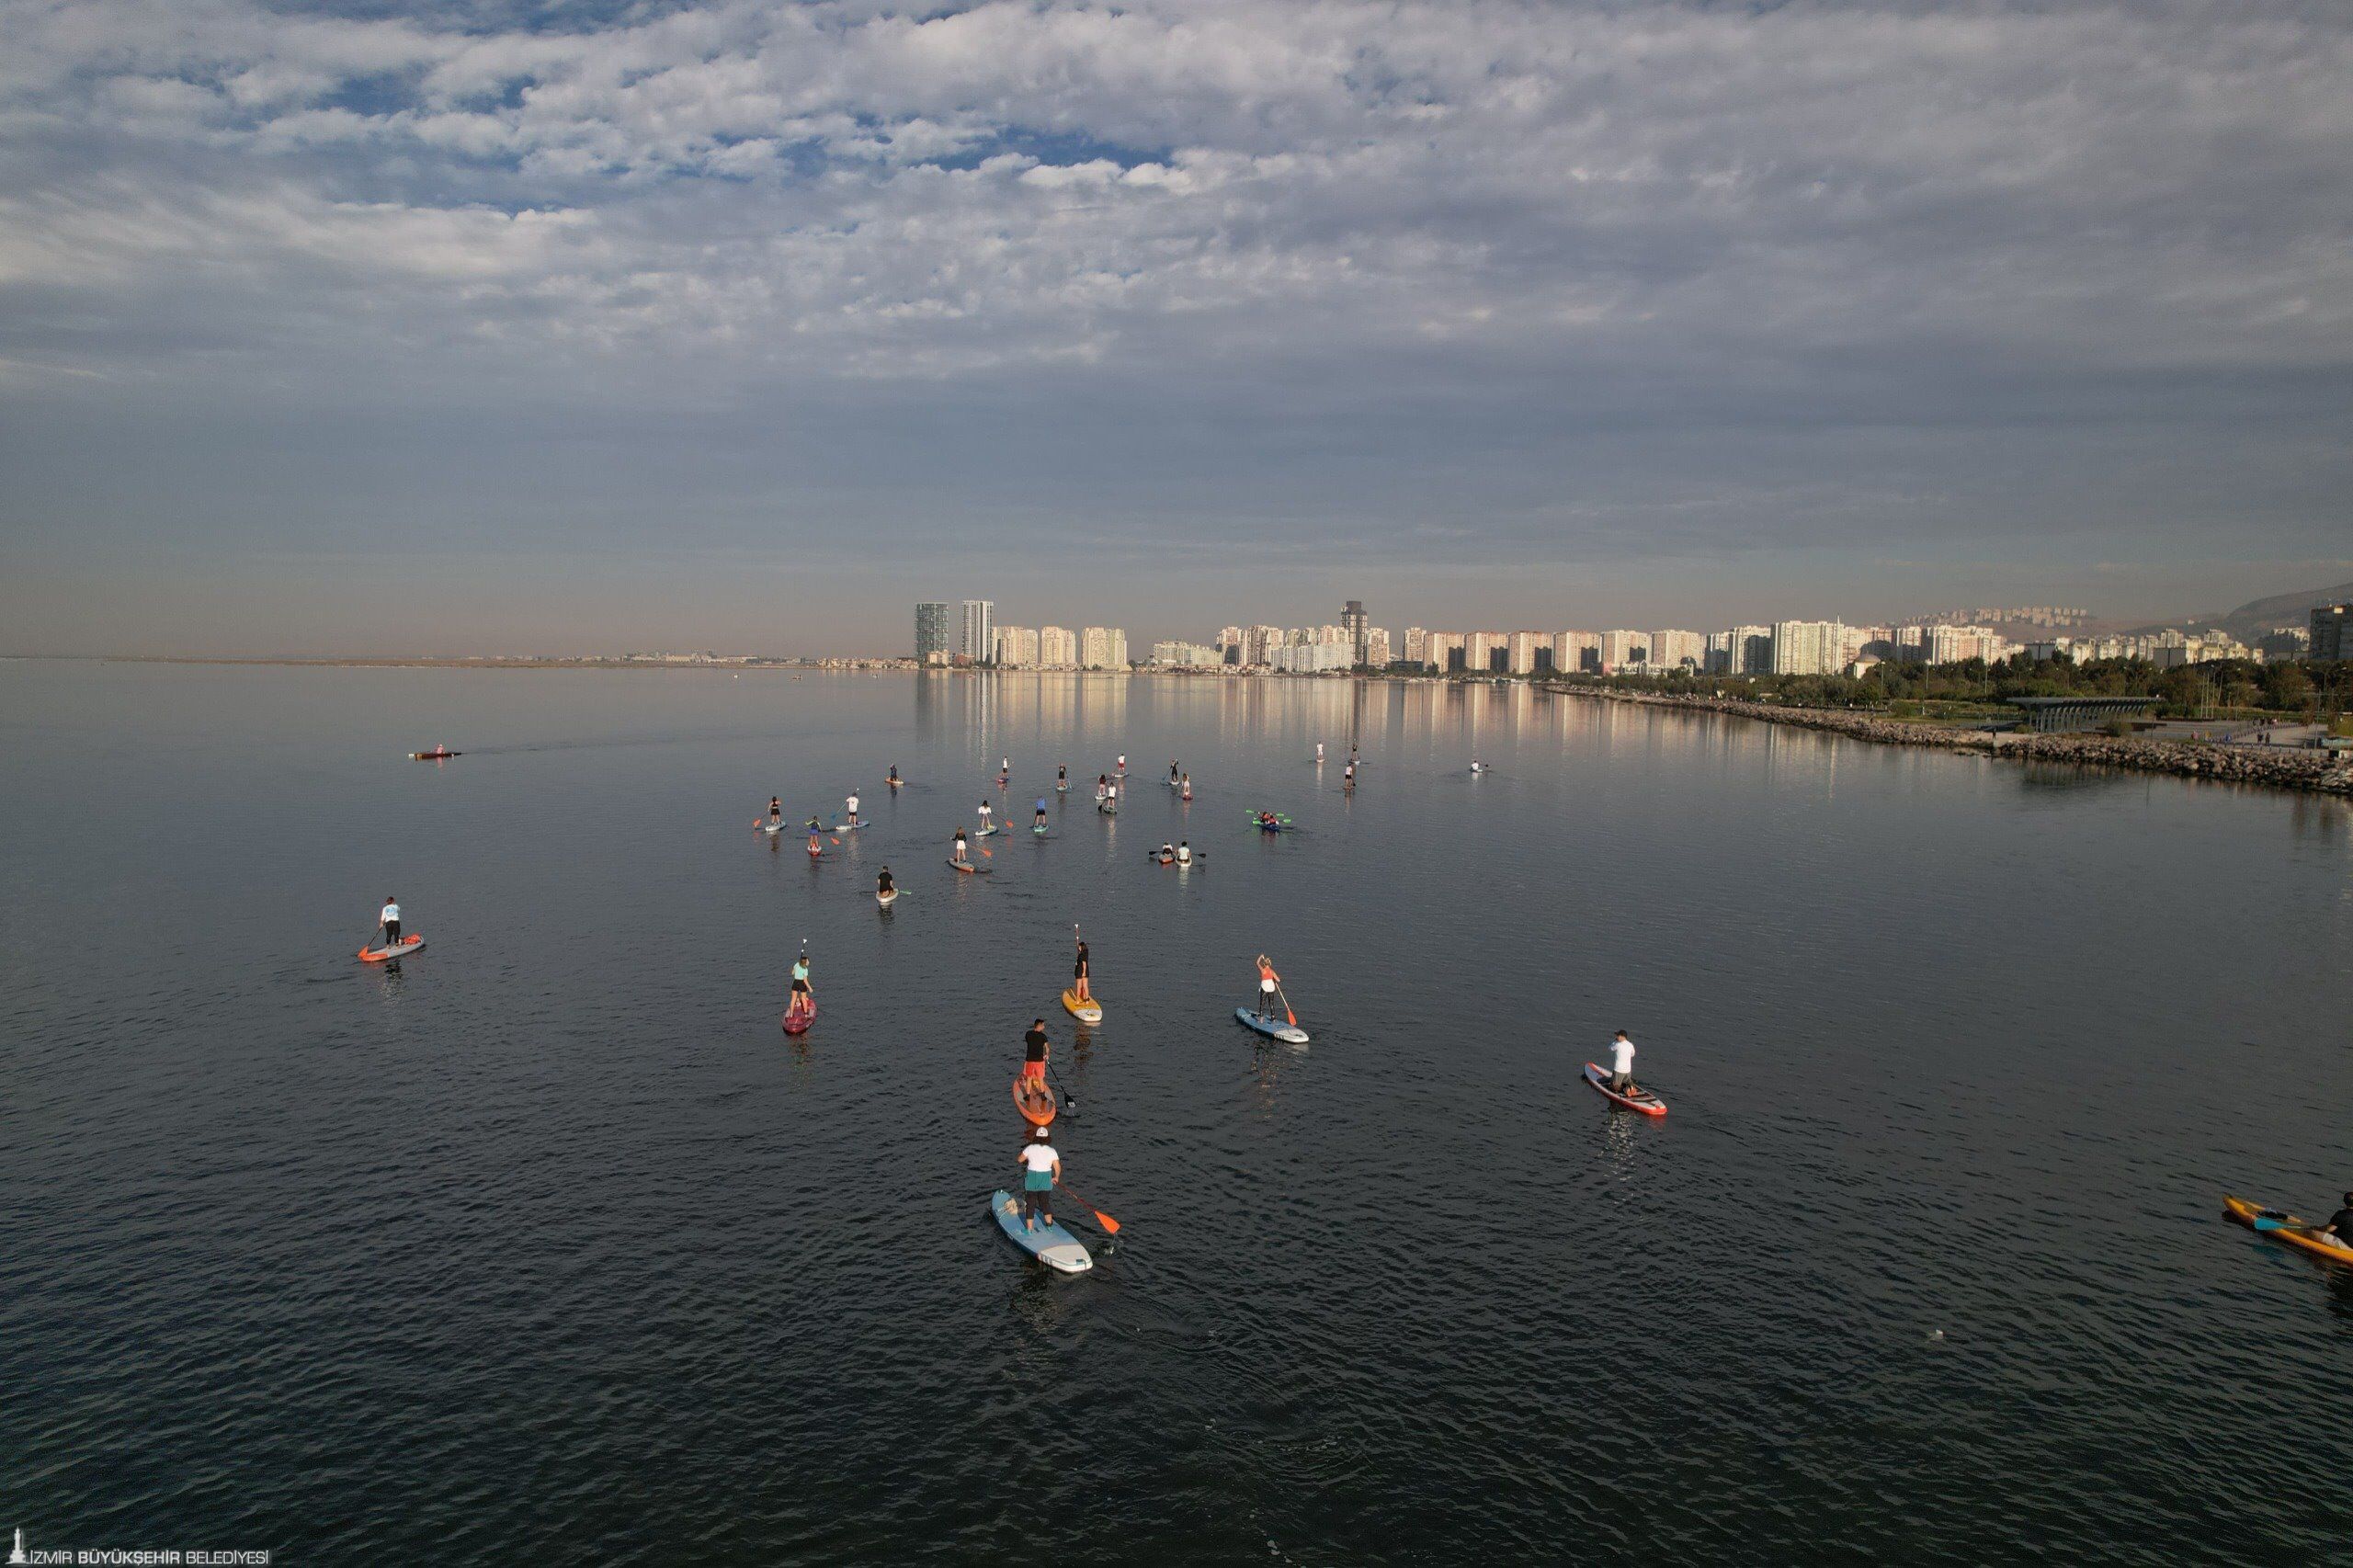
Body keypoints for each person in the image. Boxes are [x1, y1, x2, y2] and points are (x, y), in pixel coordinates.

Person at [1017, 1127, 1060, 1230]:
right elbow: (1057, 1167)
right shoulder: (1052, 1151)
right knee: (1045, 1203)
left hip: (1032, 1179)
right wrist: (1056, 1177)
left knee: (1031, 1204)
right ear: (1047, 1138)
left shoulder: (1030, 1148)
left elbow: (1019, 1160)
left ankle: (1029, 1230)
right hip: (1046, 1179)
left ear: (1036, 1137)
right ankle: (1049, 1226)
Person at [1608, 1030, 1639, 1096]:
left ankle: (1624, 1090)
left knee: (1614, 1086)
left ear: (1622, 1037)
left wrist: (1615, 1041)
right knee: (1627, 1081)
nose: (1617, 1037)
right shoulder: (1630, 1045)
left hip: (1619, 1070)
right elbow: (1632, 1054)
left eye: (1618, 1036)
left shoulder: (1617, 1044)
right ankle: (1631, 1087)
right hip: (1628, 1070)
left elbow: (1610, 1048)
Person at [1022, 1017, 1051, 1085]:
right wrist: (1047, 1055)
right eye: (1043, 1025)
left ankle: (1028, 1093)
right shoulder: (1043, 1036)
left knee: (1029, 1077)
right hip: (1039, 1061)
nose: (1044, 1027)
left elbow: (1028, 1041)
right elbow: (1047, 1048)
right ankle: (1042, 1094)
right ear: (1040, 1026)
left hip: (1030, 1060)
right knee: (1040, 1078)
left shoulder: (1028, 1034)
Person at [789, 949, 813, 1018]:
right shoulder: (805, 969)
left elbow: (792, 973)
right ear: (805, 962)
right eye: (808, 961)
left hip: (795, 982)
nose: (808, 962)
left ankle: (791, 1014)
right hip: (802, 983)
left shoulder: (796, 964)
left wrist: (795, 968)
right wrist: (810, 988)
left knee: (793, 998)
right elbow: (805, 981)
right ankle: (805, 1014)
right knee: (804, 999)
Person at [1073, 937, 1092, 1002]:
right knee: (1085, 986)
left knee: (1079, 986)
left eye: (1079, 947)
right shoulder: (1085, 953)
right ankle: (1087, 999)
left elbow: (1084, 964)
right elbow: (1083, 962)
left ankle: (1077, 1000)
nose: (1078, 948)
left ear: (1081, 947)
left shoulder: (1082, 955)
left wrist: (1083, 972)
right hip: (1085, 971)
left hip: (1080, 971)